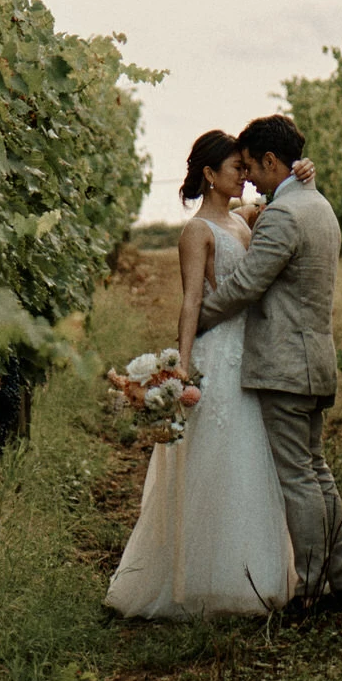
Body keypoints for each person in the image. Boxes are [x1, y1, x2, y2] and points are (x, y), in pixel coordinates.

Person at [105, 130, 302, 619]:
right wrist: (184, 365)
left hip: (248, 352)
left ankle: (252, 574)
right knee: (217, 457)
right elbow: (192, 299)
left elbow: (275, 199)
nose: (245, 175)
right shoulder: (197, 232)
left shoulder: (240, 220)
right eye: (236, 167)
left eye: (246, 166)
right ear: (210, 175)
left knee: (250, 459)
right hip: (218, 353)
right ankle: (206, 579)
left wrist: (302, 172)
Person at [198, 114, 342, 618]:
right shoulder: (319, 206)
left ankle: (310, 589)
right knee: (317, 472)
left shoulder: (284, 216)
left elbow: (248, 284)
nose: (249, 178)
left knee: (299, 478)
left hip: (285, 365)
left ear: (272, 161)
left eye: (253, 167)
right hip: (315, 358)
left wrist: (198, 317)